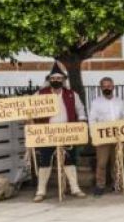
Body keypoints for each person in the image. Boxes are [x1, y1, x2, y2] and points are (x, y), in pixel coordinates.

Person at [33, 65, 87, 202]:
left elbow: (80, 110)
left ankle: (75, 188)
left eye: (59, 78)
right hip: (47, 133)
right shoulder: (40, 94)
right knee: (45, 161)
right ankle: (41, 191)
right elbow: (30, 109)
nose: (56, 80)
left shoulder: (71, 94)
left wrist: (81, 121)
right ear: (49, 80)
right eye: (53, 78)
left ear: (63, 80)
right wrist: (29, 120)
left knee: (69, 160)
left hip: (67, 132)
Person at [88, 77, 124, 196]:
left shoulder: (119, 101)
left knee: (117, 161)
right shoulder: (96, 102)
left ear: (113, 87)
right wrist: (94, 135)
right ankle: (100, 186)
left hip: (117, 137)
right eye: (104, 86)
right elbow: (92, 120)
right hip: (102, 138)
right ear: (101, 88)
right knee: (102, 163)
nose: (107, 88)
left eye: (109, 86)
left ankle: (117, 184)